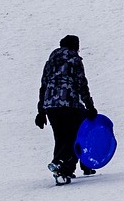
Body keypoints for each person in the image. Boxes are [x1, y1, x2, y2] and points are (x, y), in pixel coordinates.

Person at [35, 35, 99, 180]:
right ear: (75, 46)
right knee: (74, 134)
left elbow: (43, 85)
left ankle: (64, 169)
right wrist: (90, 106)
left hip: (50, 105)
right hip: (69, 103)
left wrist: (41, 111)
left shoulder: (50, 61)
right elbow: (81, 84)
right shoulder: (74, 60)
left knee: (60, 137)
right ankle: (62, 164)